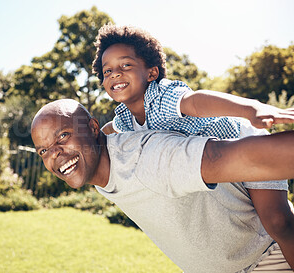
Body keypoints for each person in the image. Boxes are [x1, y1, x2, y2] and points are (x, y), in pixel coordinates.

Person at [91, 24, 294, 265]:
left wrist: (252, 110)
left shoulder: (161, 96)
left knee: (278, 222)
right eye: (107, 71)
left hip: (242, 142)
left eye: (126, 65)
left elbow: (195, 102)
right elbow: (107, 133)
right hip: (221, 166)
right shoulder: (124, 119)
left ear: (152, 73)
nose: (115, 74)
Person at [31, 99, 294, 273]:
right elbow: (111, 130)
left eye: (63, 136)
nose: (54, 154)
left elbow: (229, 157)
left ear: (92, 128)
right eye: (43, 150)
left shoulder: (147, 158)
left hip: (269, 259)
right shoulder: (98, 160)